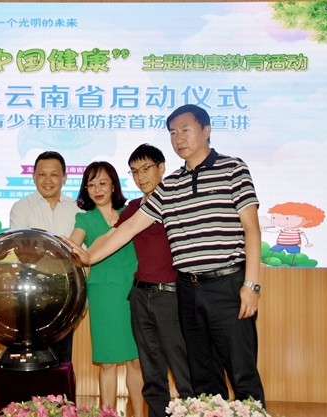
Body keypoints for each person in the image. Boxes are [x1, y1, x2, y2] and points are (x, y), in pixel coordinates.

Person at [67, 104, 266, 408]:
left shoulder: (233, 168)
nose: (178, 138)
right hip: (187, 290)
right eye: (173, 132)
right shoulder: (171, 185)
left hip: (227, 285)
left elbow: (252, 228)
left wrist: (251, 285)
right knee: (203, 376)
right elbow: (129, 226)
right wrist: (89, 258)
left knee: (242, 373)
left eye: (185, 130)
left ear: (206, 130)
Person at [120, 144, 193, 417]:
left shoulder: (178, 202)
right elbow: (114, 235)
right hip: (140, 296)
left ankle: (193, 411)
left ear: (162, 168)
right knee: (151, 370)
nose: (140, 177)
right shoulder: (133, 208)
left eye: (146, 169)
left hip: (171, 296)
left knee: (182, 366)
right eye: (134, 171)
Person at [69, 161, 144, 417]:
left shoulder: (132, 211)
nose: (97, 189)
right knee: (108, 362)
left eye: (102, 183)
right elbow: (73, 247)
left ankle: (139, 413)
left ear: (113, 185)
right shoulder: (84, 218)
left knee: (136, 361)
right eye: (91, 185)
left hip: (135, 289)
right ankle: (107, 414)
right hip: (103, 294)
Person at [9, 151, 82, 364]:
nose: (48, 180)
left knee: (61, 358)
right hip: (30, 291)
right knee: (30, 358)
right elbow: (23, 252)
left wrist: (45, 256)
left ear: (65, 177)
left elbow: (80, 252)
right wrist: (61, 260)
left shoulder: (77, 209)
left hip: (66, 292)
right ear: (33, 176)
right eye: (42, 174)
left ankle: (60, 388)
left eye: (54, 174)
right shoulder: (22, 207)